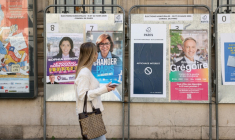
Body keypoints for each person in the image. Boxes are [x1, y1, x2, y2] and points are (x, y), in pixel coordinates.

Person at [74, 42, 115, 140]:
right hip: (90, 116)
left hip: (92, 114)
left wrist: (104, 88)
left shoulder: (86, 71)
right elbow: (83, 95)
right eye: (96, 52)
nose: (97, 54)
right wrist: (103, 90)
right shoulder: (84, 73)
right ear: (91, 55)